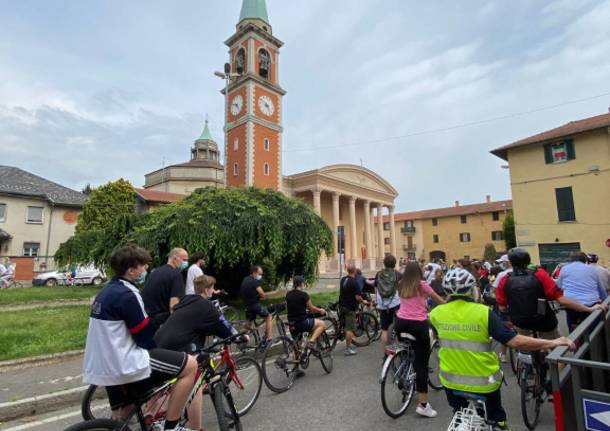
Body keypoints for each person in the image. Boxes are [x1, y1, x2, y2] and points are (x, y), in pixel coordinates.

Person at [430, 268, 577, 430]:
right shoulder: (483, 312)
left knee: (459, 414)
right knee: (496, 419)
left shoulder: (436, 313)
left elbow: (438, 338)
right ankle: (499, 423)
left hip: (450, 381)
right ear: (472, 290)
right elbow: (514, 341)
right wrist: (553, 342)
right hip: (484, 381)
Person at [83, 245, 197, 431]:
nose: (146, 269)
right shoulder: (127, 295)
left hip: (104, 361)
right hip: (125, 362)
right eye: (143, 266)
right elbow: (144, 338)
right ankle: (172, 426)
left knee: (124, 413)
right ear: (131, 269)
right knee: (190, 366)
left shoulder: (108, 291)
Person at [155, 274, 240, 431]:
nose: (213, 291)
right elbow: (224, 326)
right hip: (179, 346)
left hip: (159, 342)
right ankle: (196, 427)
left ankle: (152, 414)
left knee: (172, 382)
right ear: (207, 290)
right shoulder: (207, 306)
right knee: (195, 380)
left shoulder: (186, 301)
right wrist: (240, 337)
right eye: (212, 288)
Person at [497, 248, 606, 340]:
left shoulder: (504, 279)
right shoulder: (540, 274)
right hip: (543, 320)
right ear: (528, 260)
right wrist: (589, 309)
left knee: (524, 343)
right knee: (558, 349)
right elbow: (561, 299)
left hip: (520, 322)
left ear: (510, 262)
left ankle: (525, 358)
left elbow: (502, 307)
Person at [393, 261, 444, 418]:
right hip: (417, 325)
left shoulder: (401, 284)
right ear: (419, 272)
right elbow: (438, 300)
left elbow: (408, 303)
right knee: (421, 365)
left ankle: (405, 368)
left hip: (400, 323)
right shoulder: (422, 284)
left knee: (408, 348)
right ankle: (423, 405)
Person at [557, 252, 608, 331]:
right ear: (585, 260)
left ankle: (575, 341)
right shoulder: (592, 269)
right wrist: (606, 301)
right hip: (592, 305)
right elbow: (601, 289)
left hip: (572, 305)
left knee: (574, 331)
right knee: (594, 331)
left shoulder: (564, 269)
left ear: (571, 260)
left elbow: (559, 286)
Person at [141, 248, 188, 333]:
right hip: (163, 323)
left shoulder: (154, 272)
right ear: (174, 258)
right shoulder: (175, 274)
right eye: (184, 260)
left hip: (148, 321)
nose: (186, 263)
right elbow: (174, 305)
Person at [286, 276, 327, 349]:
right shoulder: (304, 295)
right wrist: (320, 310)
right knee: (322, 324)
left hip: (291, 324)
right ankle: (311, 342)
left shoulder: (288, 294)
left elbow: (293, 306)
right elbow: (311, 308)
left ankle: (297, 358)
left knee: (298, 347)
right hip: (302, 323)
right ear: (301, 284)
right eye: (304, 283)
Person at [339, 263, 369, 356]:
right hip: (349, 308)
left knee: (344, 324)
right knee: (350, 329)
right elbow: (357, 297)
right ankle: (348, 349)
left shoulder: (343, 279)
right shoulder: (354, 282)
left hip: (341, 305)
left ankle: (340, 333)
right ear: (355, 271)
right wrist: (363, 301)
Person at [374, 255, 401, 357]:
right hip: (395, 304)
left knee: (384, 330)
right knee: (399, 327)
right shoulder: (397, 274)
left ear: (384, 263)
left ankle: (385, 355)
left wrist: (378, 301)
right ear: (394, 264)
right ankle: (399, 350)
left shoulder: (379, 274)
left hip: (382, 305)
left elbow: (376, 288)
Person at [240, 265, 273, 346]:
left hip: (246, 306)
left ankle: (242, 340)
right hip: (254, 305)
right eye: (259, 274)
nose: (260, 276)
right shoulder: (254, 281)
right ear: (254, 272)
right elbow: (262, 294)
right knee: (268, 317)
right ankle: (269, 339)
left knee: (249, 323)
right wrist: (261, 297)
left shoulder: (245, 279)